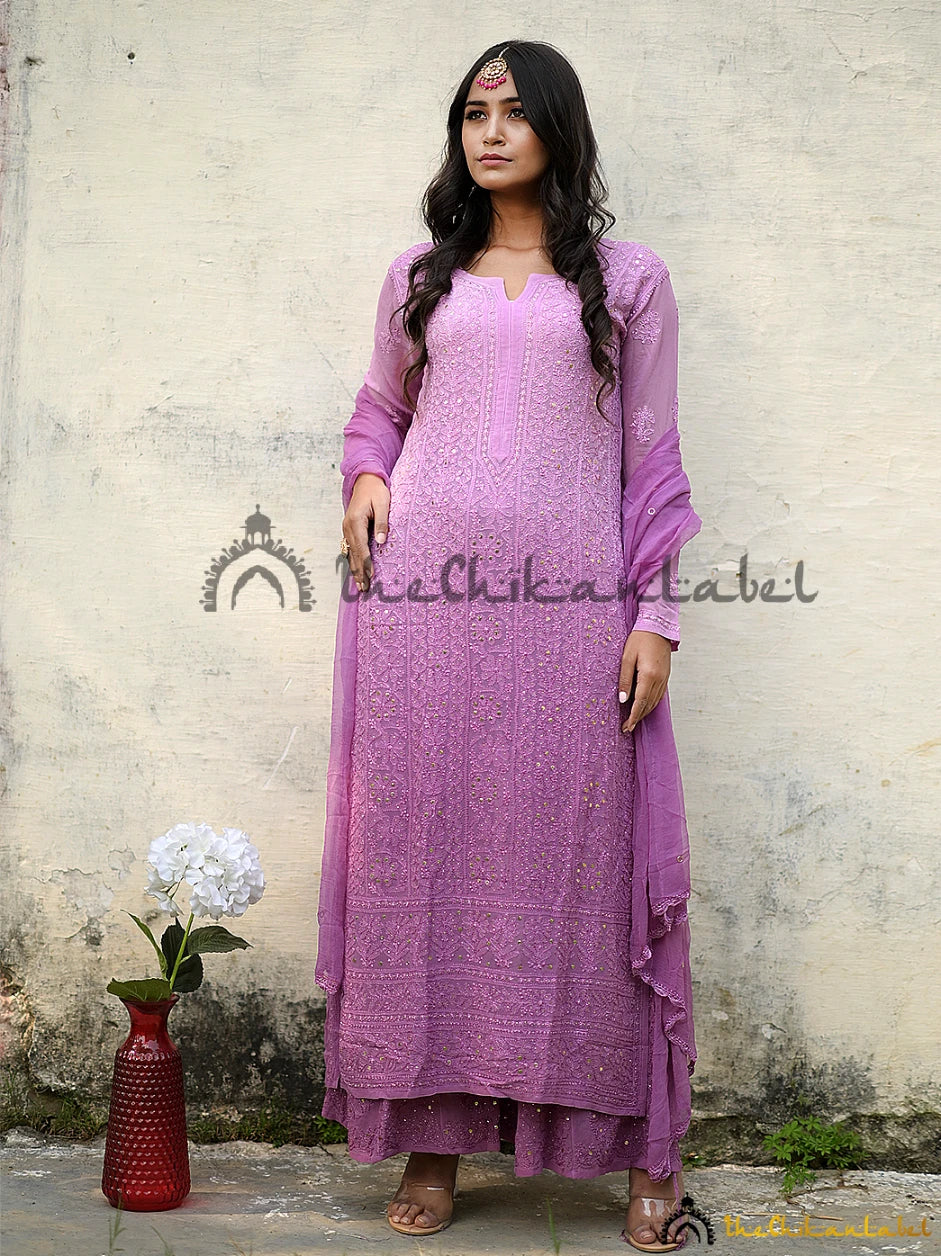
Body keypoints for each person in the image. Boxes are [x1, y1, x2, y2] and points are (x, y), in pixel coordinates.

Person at [315, 39, 702, 1252]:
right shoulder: (419, 277)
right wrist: (367, 473)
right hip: (424, 615)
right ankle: (434, 1139)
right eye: (473, 113)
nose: (490, 133)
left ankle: (645, 1148)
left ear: (556, 129)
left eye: (513, 113)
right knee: (421, 859)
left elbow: (651, 460)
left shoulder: (625, 281)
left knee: (582, 871)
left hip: (567, 613)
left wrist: (654, 613)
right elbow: (378, 408)